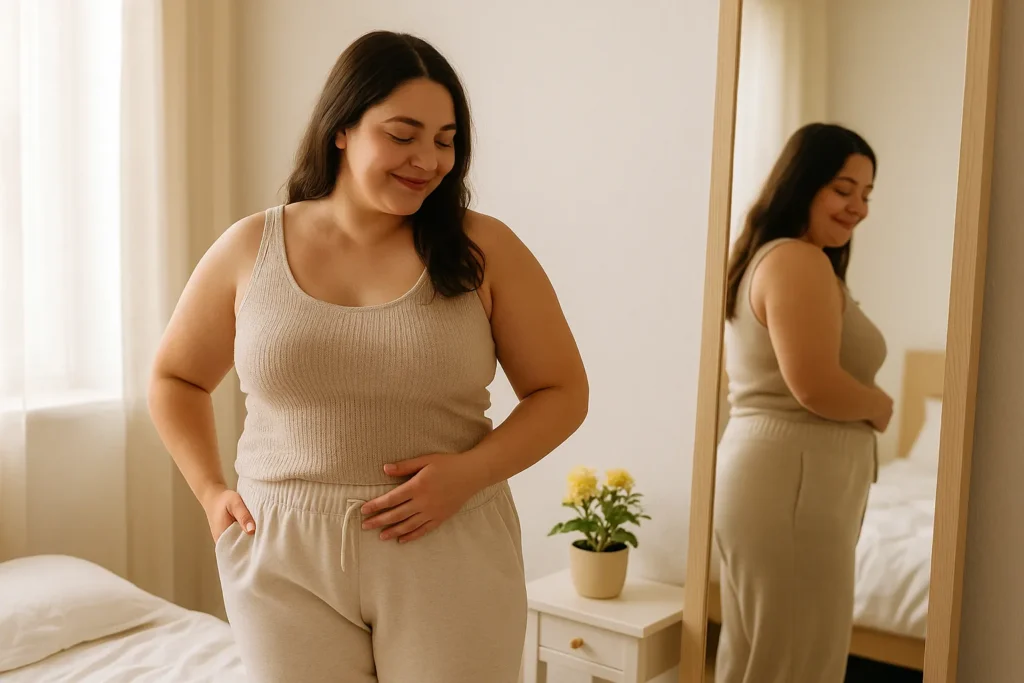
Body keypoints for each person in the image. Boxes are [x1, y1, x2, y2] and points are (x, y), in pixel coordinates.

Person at [147, 30, 588, 683]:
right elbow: (174, 377)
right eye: (403, 134)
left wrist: (469, 473)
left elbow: (562, 391)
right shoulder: (250, 248)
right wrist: (212, 492)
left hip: (447, 539)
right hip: (281, 551)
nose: (428, 159)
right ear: (342, 129)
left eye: (445, 140)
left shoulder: (483, 250)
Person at [713, 122, 893, 683]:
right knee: (794, 660)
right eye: (843, 189)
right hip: (793, 481)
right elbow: (814, 385)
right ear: (802, 183)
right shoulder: (797, 260)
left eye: (866, 194)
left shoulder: (782, 257)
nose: (858, 207)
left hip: (787, 479)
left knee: (768, 656)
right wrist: (878, 404)